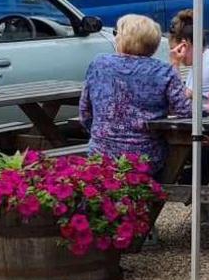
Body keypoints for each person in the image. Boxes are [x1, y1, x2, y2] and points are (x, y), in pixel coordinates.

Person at [78, 14, 192, 174]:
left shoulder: (99, 64)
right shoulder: (164, 71)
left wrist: (103, 134)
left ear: (122, 39)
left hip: (100, 155)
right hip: (143, 158)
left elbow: (84, 113)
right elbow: (185, 111)